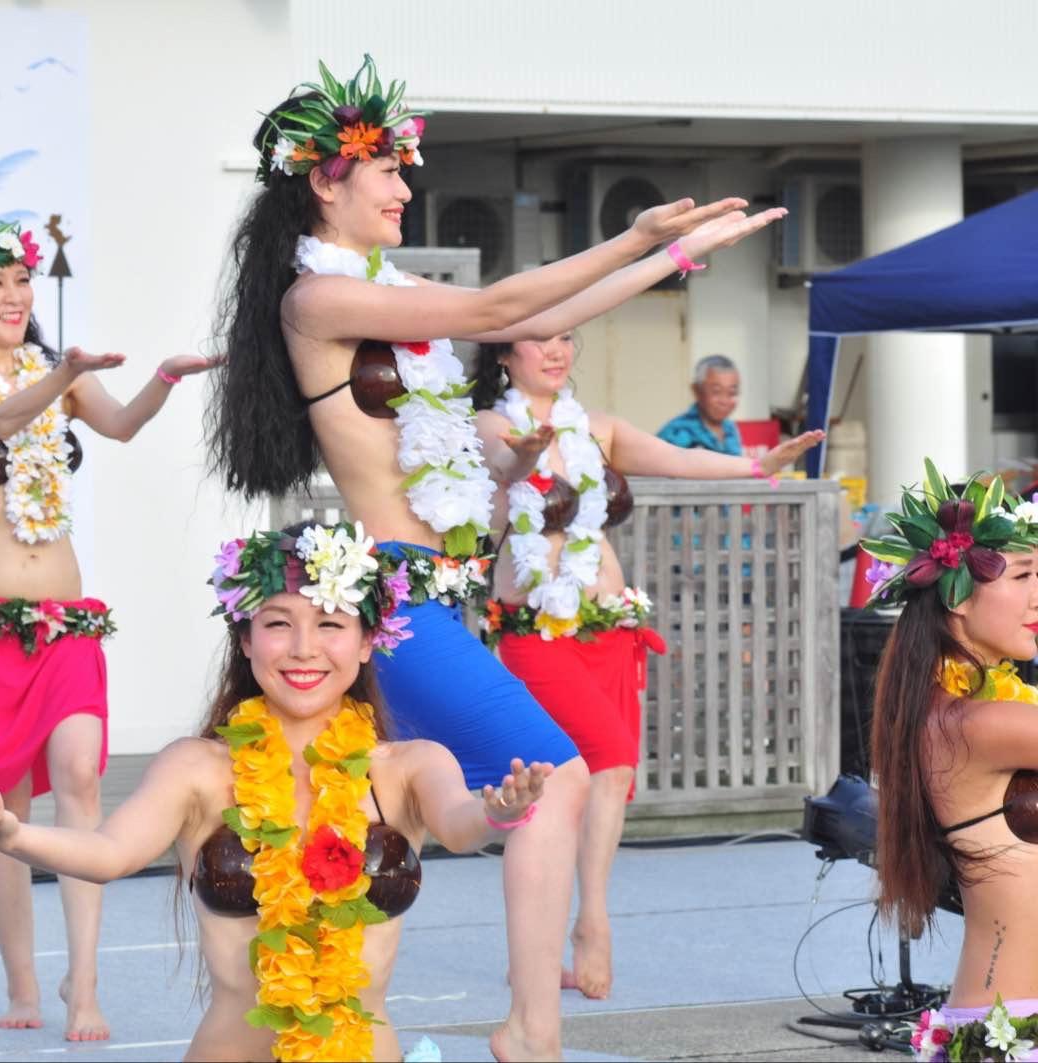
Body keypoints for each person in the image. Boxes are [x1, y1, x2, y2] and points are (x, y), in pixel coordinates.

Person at [206, 53, 782, 1060]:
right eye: (385, 170)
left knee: (404, 824)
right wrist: (635, 232)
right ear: (324, 180)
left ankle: (337, 1024)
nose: (403, 188)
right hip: (393, 605)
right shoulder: (315, 300)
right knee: (553, 774)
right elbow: (490, 313)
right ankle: (528, 1024)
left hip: (440, 600)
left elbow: (522, 317)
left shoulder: (380, 290)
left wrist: (673, 260)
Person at [0, 520, 550, 1062]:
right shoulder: (197, 769)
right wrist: (10, 833)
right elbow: (108, 855)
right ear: (247, 640)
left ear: (367, 643)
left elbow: (461, 825)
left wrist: (499, 813)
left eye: (330, 624)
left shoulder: (408, 766)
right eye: (278, 624)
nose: (304, 648)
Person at [0, 217, 217, 1041]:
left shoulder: (59, 375)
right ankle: (23, 981)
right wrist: (64, 375)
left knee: (80, 775)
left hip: (64, 621)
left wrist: (160, 380)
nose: (12, 297)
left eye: (21, 283)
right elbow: (2, 420)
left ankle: (85, 983)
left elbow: (117, 426)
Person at [470, 333, 821, 1000]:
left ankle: (536, 951)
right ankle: (592, 922)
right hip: (537, 632)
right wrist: (521, 458)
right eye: (537, 337)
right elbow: (502, 467)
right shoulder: (494, 423)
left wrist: (756, 465)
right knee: (608, 759)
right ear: (504, 356)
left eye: (567, 336)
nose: (556, 348)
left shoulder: (595, 426)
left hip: (608, 635)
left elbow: (678, 457)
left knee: (565, 788)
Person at [861, 464, 1038, 1059]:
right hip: (1014, 1026)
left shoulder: (963, 708)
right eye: (1024, 574)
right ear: (958, 600)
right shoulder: (981, 725)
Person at [656, 354, 742, 455]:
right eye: (716, 391)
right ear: (696, 390)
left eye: (732, 393)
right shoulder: (678, 430)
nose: (724, 401)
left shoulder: (730, 428)